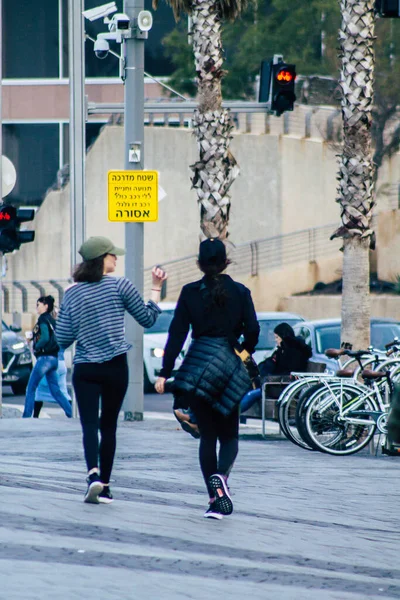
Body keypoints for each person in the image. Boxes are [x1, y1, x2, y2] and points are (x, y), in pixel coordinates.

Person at [56, 236, 167, 505]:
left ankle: (92, 473)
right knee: (109, 427)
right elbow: (148, 319)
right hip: (116, 367)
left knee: (89, 425)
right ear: (100, 260)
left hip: (85, 368)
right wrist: (155, 288)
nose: (116, 259)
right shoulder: (121, 286)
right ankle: (104, 485)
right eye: (111, 255)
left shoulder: (72, 293)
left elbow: (62, 338)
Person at [155, 238, 259, 520]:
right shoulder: (240, 292)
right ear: (226, 261)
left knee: (207, 436)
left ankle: (214, 499)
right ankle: (222, 479)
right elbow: (253, 332)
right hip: (229, 364)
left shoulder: (189, 293)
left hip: (198, 365)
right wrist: (241, 354)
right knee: (230, 434)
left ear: (200, 263)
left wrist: (165, 372)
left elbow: (176, 335)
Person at [22, 296, 72, 419]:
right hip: (54, 359)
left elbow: (44, 337)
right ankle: (71, 413)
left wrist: (37, 346)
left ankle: (26, 417)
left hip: (44, 359)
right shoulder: (52, 321)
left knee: (30, 388)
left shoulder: (43, 320)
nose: (37, 307)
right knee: (56, 391)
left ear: (45, 306)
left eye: (38, 304)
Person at [33, 349, 72, 418]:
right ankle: (71, 414)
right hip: (61, 363)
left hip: (47, 363)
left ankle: (35, 417)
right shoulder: (60, 338)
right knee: (63, 393)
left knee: (39, 392)